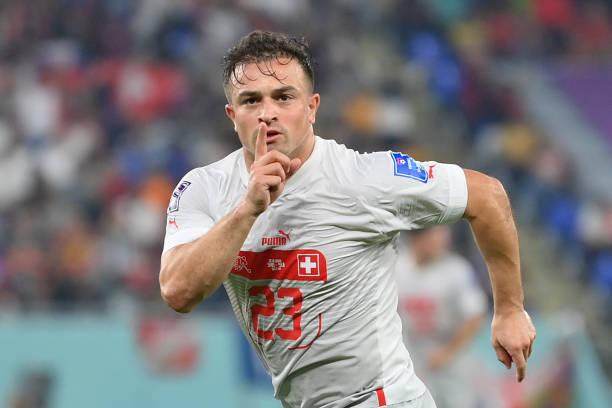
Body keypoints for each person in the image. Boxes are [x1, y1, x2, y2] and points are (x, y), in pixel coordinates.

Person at [159, 31, 536, 408]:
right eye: (251, 100)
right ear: (232, 115)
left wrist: (509, 309)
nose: (268, 112)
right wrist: (247, 210)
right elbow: (178, 291)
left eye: (284, 97)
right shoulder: (204, 188)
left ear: (312, 108)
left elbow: (487, 195)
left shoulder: (363, 178)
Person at [395, 226, 487, 408]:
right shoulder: (398, 267)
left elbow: (476, 316)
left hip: (452, 360)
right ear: (416, 238)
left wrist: (447, 353)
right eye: (434, 234)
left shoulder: (457, 270)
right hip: (412, 356)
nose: (442, 239)